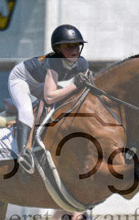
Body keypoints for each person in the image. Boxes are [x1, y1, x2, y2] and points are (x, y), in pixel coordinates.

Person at [8, 24, 90, 173]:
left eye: (77, 46)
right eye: (68, 47)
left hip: (39, 82)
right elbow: (50, 96)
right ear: (58, 49)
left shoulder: (82, 64)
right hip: (21, 78)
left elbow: (85, 89)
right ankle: (22, 153)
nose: (74, 51)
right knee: (26, 109)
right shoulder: (54, 62)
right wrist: (74, 87)